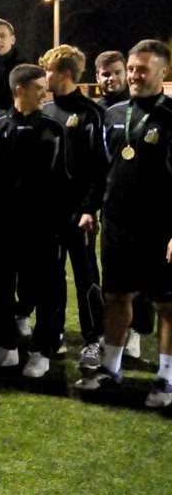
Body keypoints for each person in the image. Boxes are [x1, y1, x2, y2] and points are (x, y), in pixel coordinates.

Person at [76, 40, 172, 409]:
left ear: (163, 72)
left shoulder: (171, 116)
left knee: (168, 305)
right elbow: (102, 170)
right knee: (116, 297)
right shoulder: (113, 114)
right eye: (131, 68)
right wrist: (90, 208)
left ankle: (165, 377)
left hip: (160, 227)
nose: (133, 75)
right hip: (118, 224)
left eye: (142, 69)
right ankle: (110, 368)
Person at [0, 65, 69, 377]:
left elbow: (63, 179)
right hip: (4, 225)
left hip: (42, 227)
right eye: (38, 88)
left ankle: (41, 351)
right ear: (19, 89)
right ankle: (6, 346)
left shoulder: (54, 130)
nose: (45, 93)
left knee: (45, 289)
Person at [35, 45, 106, 369]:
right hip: (48, 212)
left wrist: (90, 208)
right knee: (50, 276)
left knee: (86, 274)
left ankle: (95, 339)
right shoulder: (45, 111)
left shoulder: (90, 113)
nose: (43, 76)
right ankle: (53, 334)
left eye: (47, 70)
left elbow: (99, 168)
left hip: (79, 214)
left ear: (63, 73)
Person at [94, 49, 148, 357]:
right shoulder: (100, 112)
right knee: (113, 276)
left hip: (146, 207)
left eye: (117, 72)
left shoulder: (144, 109)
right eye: (105, 74)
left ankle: (138, 331)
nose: (112, 78)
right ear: (97, 77)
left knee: (145, 275)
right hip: (112, 206)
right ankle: (113, 330)